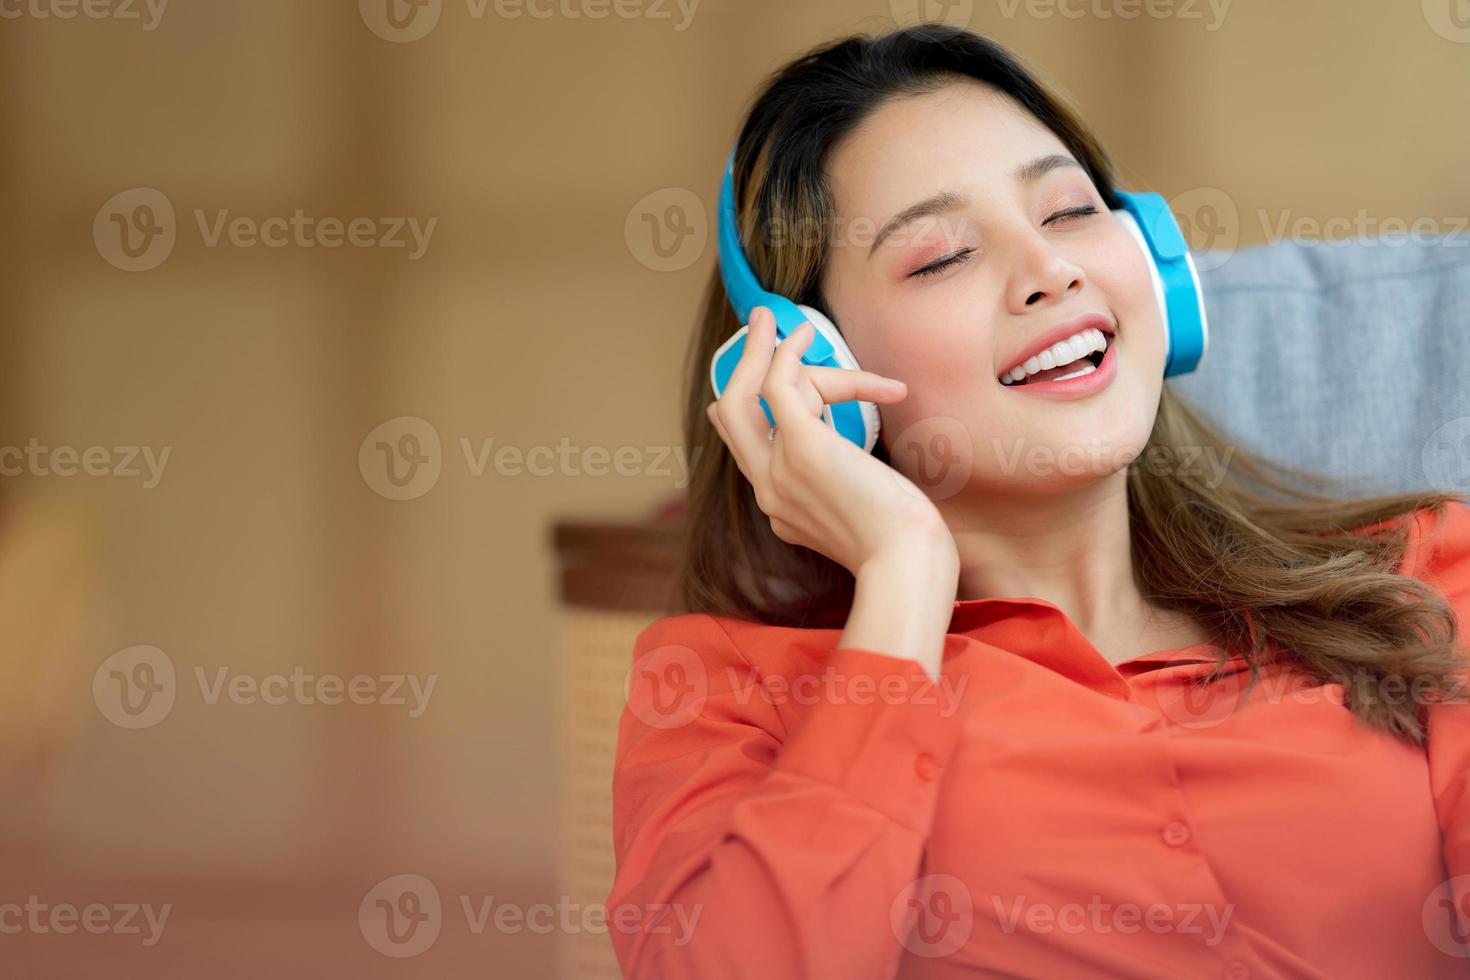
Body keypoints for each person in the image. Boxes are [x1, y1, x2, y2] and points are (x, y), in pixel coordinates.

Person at [607, 23, 1470, 980]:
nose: (1050, 271)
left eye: (1067, 211)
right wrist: (902, 576)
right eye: (941, 257)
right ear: (816, 364)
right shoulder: (724, 693)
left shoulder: (1420, 572)